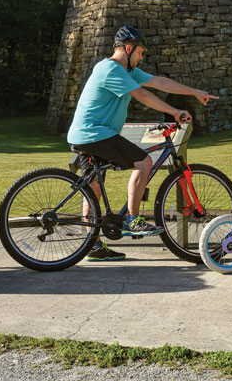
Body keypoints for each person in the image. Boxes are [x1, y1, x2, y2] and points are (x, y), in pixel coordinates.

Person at [67, 25, 219, 262]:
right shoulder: (111, 70)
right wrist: (174, 111)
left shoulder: (125, 70)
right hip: (95, 134)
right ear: (128, 48)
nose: (142, 57)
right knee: (143, 162)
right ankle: (133, 220)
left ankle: (93, 246)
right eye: (140, 52)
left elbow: (159, 82)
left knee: (93, 188)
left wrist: (194, 92)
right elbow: (143, 95)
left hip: (88, 135)